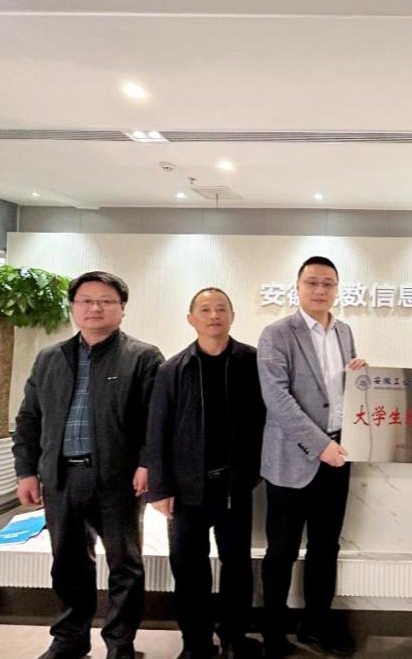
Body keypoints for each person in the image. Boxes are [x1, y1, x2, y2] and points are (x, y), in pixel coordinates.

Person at [13, 271, 164, 659]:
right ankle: (70, 638)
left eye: (106, 301)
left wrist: (148, 463)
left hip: (117, 479)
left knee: (124, 566)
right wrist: (26, 470)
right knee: (67, 563)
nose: (95, 307)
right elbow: (29, 418)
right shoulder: (50, 358)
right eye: (86, 300)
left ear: (122, 309)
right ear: (74, 307)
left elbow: (156, 420)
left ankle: (120, 644)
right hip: (61, 478)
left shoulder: (142, 357)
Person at [145, 287, 266, 659]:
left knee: (237, 566)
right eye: (205, 309)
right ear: (191, 319)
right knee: (189, 570)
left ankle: (234, 638)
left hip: (234, 486)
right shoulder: (173, 369)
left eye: (221, 308)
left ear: (232, 316)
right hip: (185, 490)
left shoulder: (252, 362)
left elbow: (266, 418)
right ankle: (195, 642)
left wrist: (254, 471)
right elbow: (157, 429)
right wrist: (160, 488)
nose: (214, 315)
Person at [257, 256, 367, 658]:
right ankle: (273, 633)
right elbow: (277, 398)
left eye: (328, 283)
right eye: (312, 282)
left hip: (339, 455)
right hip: (293, 458)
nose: (320, 290)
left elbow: (337, 395)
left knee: (325, 547)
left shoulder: (344, 331)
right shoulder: (276, 334)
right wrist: (320, 445)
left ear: (336, 288)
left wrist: (360, 377)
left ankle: (316, 627)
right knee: (282, 551)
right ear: (298, 286)